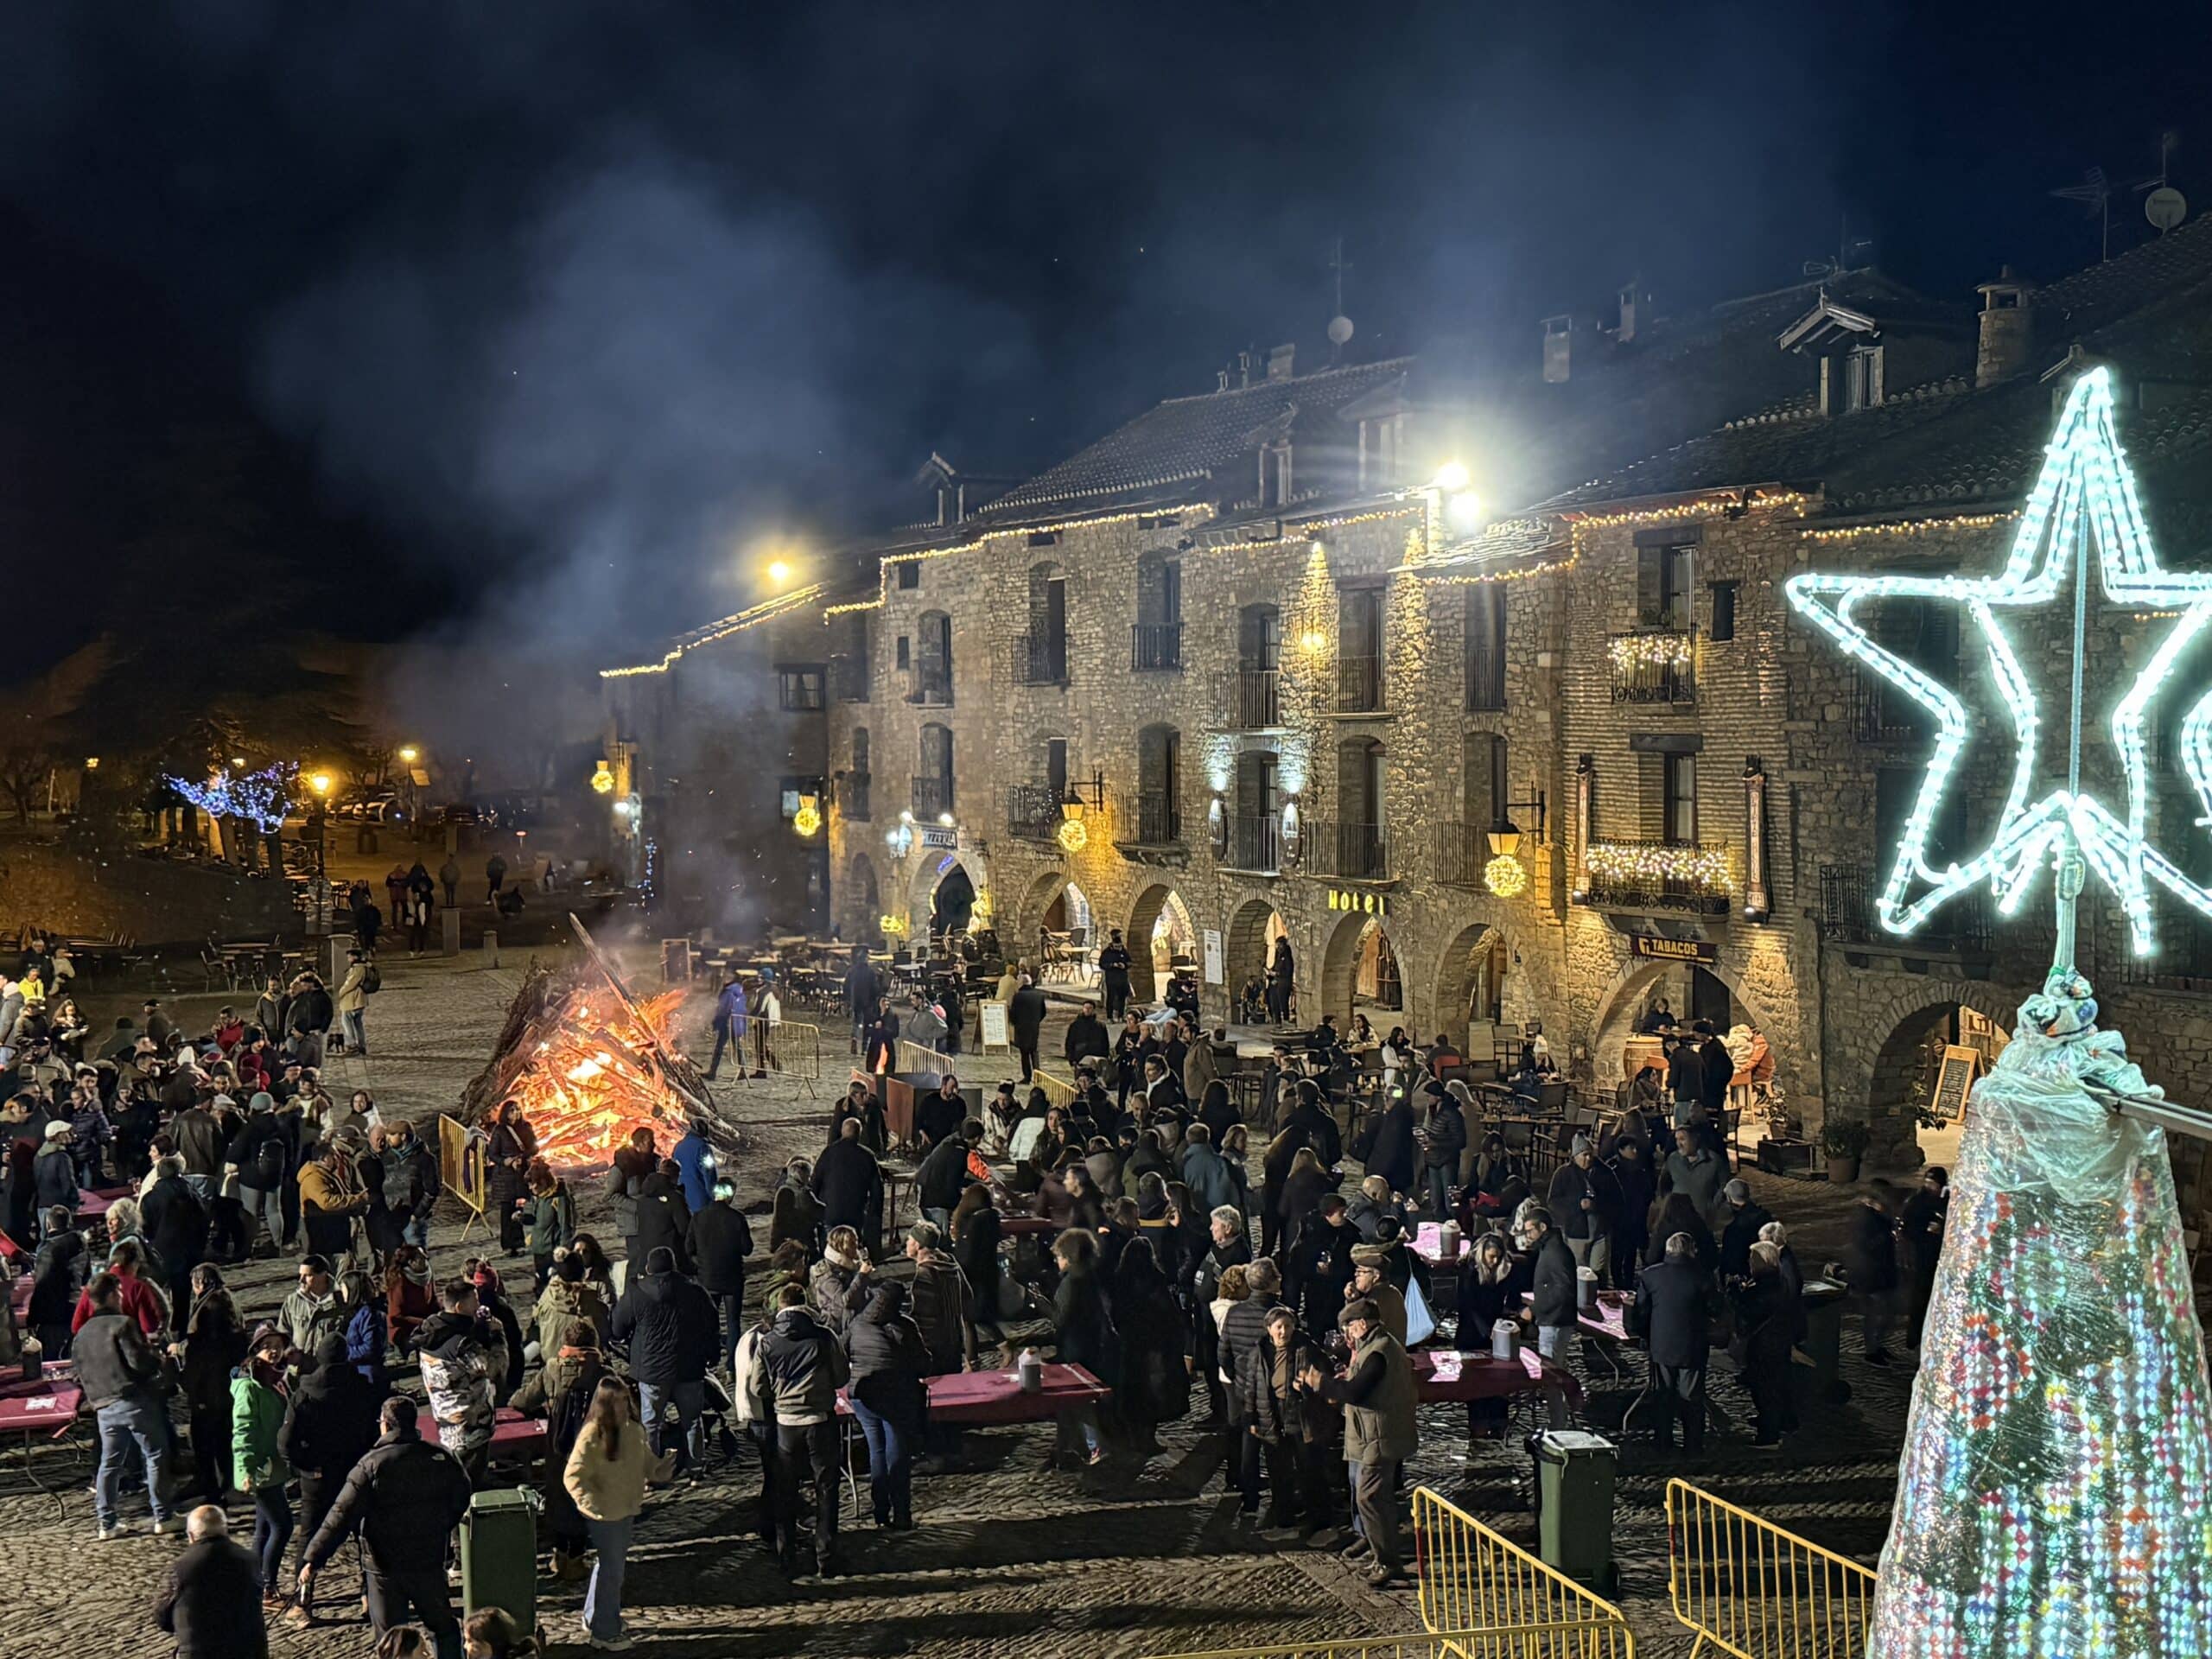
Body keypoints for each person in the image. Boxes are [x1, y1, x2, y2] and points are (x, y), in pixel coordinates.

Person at [299, 1395, 473, 1659]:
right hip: (428, 1558)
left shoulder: (370, 1466)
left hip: (382, 1566)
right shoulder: (440, 1457)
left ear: (385, 1425)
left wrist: (314, 1558)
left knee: (391, 1639)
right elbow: (461, 1497)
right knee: (444, 1628)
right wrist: (439, 1525)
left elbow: (340, 1515)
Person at [1303, 1297, 1415, 1587]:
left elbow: (1357, 1392)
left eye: (1349, 1328)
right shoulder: (1376, 1347)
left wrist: (1323, 1384)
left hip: (1379, 1437)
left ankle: (1388, 1562)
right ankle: (1383, 1558)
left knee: (1370, 1497)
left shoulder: (1379, 1352)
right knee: (1376, 1499)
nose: (1347, 1334)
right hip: (1372, 1436)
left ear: (1362, 1325)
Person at [563, 1376, 676, 1649]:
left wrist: (662, 1467)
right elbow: (573, 1476)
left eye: (626, 1400)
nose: (624, 1407)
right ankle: (605, 1632)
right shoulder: (593, 1434)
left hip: (625, 1509)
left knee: (608, 1568)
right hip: (605, 1515)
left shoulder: (632, 1430)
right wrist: (593, 1504)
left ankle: (596, 1617)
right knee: (613, 1573)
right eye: (618, 1403)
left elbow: (646, 1463)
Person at [280, 1335, 385, 1626]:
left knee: (310, 1536)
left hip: (318, 1477)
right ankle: (370, 1597)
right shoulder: (364, 1388)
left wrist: (305, 1466)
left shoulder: (304, 1392)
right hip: (357, 1472)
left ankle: (304, 1601)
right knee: (365, 1534)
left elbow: (286, 1443)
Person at [751, 1281, 851, 1578]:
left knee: (786, 1490)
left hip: (786, 1424)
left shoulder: (767, 1342)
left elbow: (758, 1387)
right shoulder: (824, 1336)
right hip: (820, 1420)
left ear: (781, 1307)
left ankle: (787, 1556)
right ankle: (826, 1555)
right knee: (826, 1487)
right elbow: (841, 1376)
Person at [79, 1270, 181, 1541]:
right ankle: (163, 1516)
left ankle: (107, 1522)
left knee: (109, 1464)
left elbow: (81, 1374)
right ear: (113, 1294)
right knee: (156, 1455)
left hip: (103, 1407)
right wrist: (157, 1358)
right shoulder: (123, 1324)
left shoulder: (81, 1335)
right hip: (133, 1401)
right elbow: (139, 1363)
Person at [613, 1243, 718, 1475]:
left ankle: (651, 1472)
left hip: (652, 1371)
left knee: (650, 1424)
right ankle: (696, 1466)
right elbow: (711, 1324)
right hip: (689, 1368)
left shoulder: (636, 1294)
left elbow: (618, 1327)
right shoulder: (694, 1291)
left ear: (649, 1268)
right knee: (692, 1420)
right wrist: (712, 1355)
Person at [844, 1280, 927, 1529]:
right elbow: (923, 1364)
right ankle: (902, 1514)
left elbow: (841, 1350)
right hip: (895, 1397)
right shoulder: (904, 1327)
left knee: (876, 1451)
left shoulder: (857, 1324)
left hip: (863, 1395)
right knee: (897, 1454)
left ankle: (880, 1511)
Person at [1630, 1231, 1714, 1452]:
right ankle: (1693, 1444)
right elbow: (1715, 1307)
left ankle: (1663, 1441)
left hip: (1661, 1346)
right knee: (1692, 1396)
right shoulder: (1702, 1276)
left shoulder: (1650, 1276)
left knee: (1663, 1395)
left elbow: (1641, 1311)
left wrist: (1643, 1336)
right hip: (1693, 1346)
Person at [418, 1277, 505, 1479]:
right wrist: (497, 1335)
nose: (478, 1306)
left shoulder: (431, 1331)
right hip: (470, 1427)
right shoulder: (461, 1344)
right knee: (471, 1484)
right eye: (473, 1302)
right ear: (459, 1307)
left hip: (446, 1421)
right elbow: (495, 1367)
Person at [156, 1505, 269, 1659]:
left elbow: (163, 1617)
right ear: (225, 1531)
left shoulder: (181, 1567)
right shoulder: (250, 1559)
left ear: (191, 1535)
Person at [232, 1331, 293, 1599]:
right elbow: (243, 1430)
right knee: (283, 1526)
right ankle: (267, 1586)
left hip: (273, 1465)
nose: (273, 1351)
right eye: (266, 1346)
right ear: (255, 1350)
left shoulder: (275, 1380)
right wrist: (245, 1469)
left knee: (264, 1528)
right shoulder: (249, 1386)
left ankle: (253, 1583)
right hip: (260, 1469)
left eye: (277, 1346)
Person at [1048, 1229, 1116, 1467]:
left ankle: (1093, 1447)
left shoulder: (1071, 1282)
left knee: (1077, 1401)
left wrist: (1041, 1305)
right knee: (1074, 1402)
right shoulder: (1091, 1277)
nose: (1058, 1261)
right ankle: (1067, 1448)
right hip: (1094, 1346)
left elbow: (1060, 1319)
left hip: (1075, 1350)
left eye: (1059, 1256)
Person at [688, 1179, 755, 1375]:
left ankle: (710, 1360)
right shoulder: (737, 1218)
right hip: (732, 1278)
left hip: (708, 1278)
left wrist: (702, 1263)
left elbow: (688, 1248)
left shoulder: (699, 1217)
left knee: (709, 1320)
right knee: (733, 1322)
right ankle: (732, 1367)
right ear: (731, 1194)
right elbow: (747, 1249)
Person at [1733, 1241, 1797, 1446]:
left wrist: (1736, 1294)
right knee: (1776, 1385)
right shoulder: (1779, 1281)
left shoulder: (1764, 1287)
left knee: (1765, 1390)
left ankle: (1769, 1436)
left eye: (1752, 1260)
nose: (1749, 1263)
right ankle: (1784, 1421)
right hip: (1777, 1342)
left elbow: (1749, 1314)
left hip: (1765, 1345)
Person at [906, 1218, 977, 1375]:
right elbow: (968, 1298)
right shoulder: (951, 1265)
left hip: (935, 1349)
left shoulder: (925, 1274)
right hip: (955, 1344)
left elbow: (923, 1318)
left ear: (917, 1245)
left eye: (909, 1240)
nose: (906, 1243)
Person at [1546, 1135, 1620, 1281]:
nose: (1588, 1159)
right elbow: (1553, 1202)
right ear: (1575, 1157)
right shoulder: (1563, 1174)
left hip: (1600, 1231)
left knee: (1598, 1273)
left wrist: (1599, 1207)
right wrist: (1576, 1205)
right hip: (1576, 1233)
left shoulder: (1604, 1172)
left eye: (1590, 1154)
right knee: (1579, 1273)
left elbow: (1617, 1199)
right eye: (1584, 1155)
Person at [1847, 1179, 1904, 1367]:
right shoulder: (1866, 1217)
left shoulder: (1879, 1215)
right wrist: (1887, 1235)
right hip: (1872, 1274)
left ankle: (1877, 1346)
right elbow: (1865, 1245)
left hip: (1881, 1272)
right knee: (1876, 1313)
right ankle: (1871, 1350)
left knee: (1886, 1313)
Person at [1897, 1166, 1949, 1346]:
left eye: (1933, 1184)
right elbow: (1908, 1230)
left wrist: (1941, 1229)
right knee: (1920, 1297)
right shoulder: (1917, 1202)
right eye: (1927, 1183)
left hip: (1939, 1256)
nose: (1930, 1187)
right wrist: (1927, 1231)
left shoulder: (1945, 1201)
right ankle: (1914, 1338)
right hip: (1922, 1257)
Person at [1522, 1205, 1579, 1369]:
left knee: (1551, 1371)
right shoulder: (1549, 1247)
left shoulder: (1555, 1251)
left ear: (1542, 1227)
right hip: (1553, 1318)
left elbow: (1564, 1289)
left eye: (1530, 1230)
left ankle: (1557, 1395)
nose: (1528, 1236)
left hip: (1555, 1321)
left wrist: (1534, 1309)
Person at [484, 1101, 538, 1255]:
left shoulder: (526, 1128)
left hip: (521, 1174)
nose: (516, 1113)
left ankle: (519, 1243)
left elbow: (534, 1147)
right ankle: (508, 1246)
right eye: (513, 1110)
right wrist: (506, 1161)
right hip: (505, 1177)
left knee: (519, 1209)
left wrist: (522, 1157)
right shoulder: (500, 1130)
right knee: (507, 1211)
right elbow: (492, 1153)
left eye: (518, 1110)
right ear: (506, 1113)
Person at [915, 1113, 978, 1232]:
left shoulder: (953, 1141)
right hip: (936, 1198)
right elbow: (952, 1182)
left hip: (927, 1189)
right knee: (939, 1236)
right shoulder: (958, 1152)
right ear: (975, 1137)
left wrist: (974, 1183)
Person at [809, 1226, 873, 1337]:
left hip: (853, 1319)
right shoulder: (827, 1275)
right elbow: (844, 1303)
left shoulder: (849, 1264)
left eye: (856, 1241)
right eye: (852, 1244)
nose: (856, 1247)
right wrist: (862, 1276)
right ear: (840, 1247)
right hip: (838, 1327)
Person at [705, 971, 747, 1082]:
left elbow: (723, 1009)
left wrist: (715, 1021)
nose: (723, 979)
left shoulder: (728, 992)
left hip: (727, 1023)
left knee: (719, 1047)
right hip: (737, 1023)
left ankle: (712, 1072)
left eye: (726, 977)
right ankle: (743, 1071)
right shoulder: (740, 992)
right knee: (738, 1047)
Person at [1008, 974, 1047, 1080]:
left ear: (1021, 983)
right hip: (1034, 1027)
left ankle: (1027, 1076)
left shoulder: (1018, 996)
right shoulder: (1039, 995)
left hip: (1021, 1028)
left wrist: (1015, 1023)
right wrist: (1036, 1021)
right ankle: (1038, 1075)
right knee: (1034, 1051)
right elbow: (1043, 1012)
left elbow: (1013, 1013)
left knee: (1024, 1053)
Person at [336, 951, 372, 1058]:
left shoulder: (358, 969)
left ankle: (352, 1046)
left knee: (347, 1022)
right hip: (359, 1000)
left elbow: (350, 984)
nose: (348, 959)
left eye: (350, 957)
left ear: (355, 957)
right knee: (358, 1023)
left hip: (353, 1000)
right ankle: (361, 1046)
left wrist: (340, 992)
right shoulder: (364, 967)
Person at [1097, 928, 1133, 1020]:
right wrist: (1112, 965)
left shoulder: (1123, 951)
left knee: (1122, 998)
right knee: (1111, 998)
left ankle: (1121, 1015)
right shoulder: (1107, 953)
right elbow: (1102, 964)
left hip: (1122, 979)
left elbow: (1129, 962)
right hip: (1112, 979)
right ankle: (1110, 1016)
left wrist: (1124, 965)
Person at [1265, 936, 1296, 1026]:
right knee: (1271, 997)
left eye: (1279, 945)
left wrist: (1277, 973)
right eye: (1277, 945)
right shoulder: (1278, 954)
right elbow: (1275, 965)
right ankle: (1276, 1019)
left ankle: (1285, 1018)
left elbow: (1288, 970)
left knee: (1282, 1000)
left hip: (1284, 982)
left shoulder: (1287, 955)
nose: (1278, 947)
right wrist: (1270, 972)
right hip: (1276, 981)